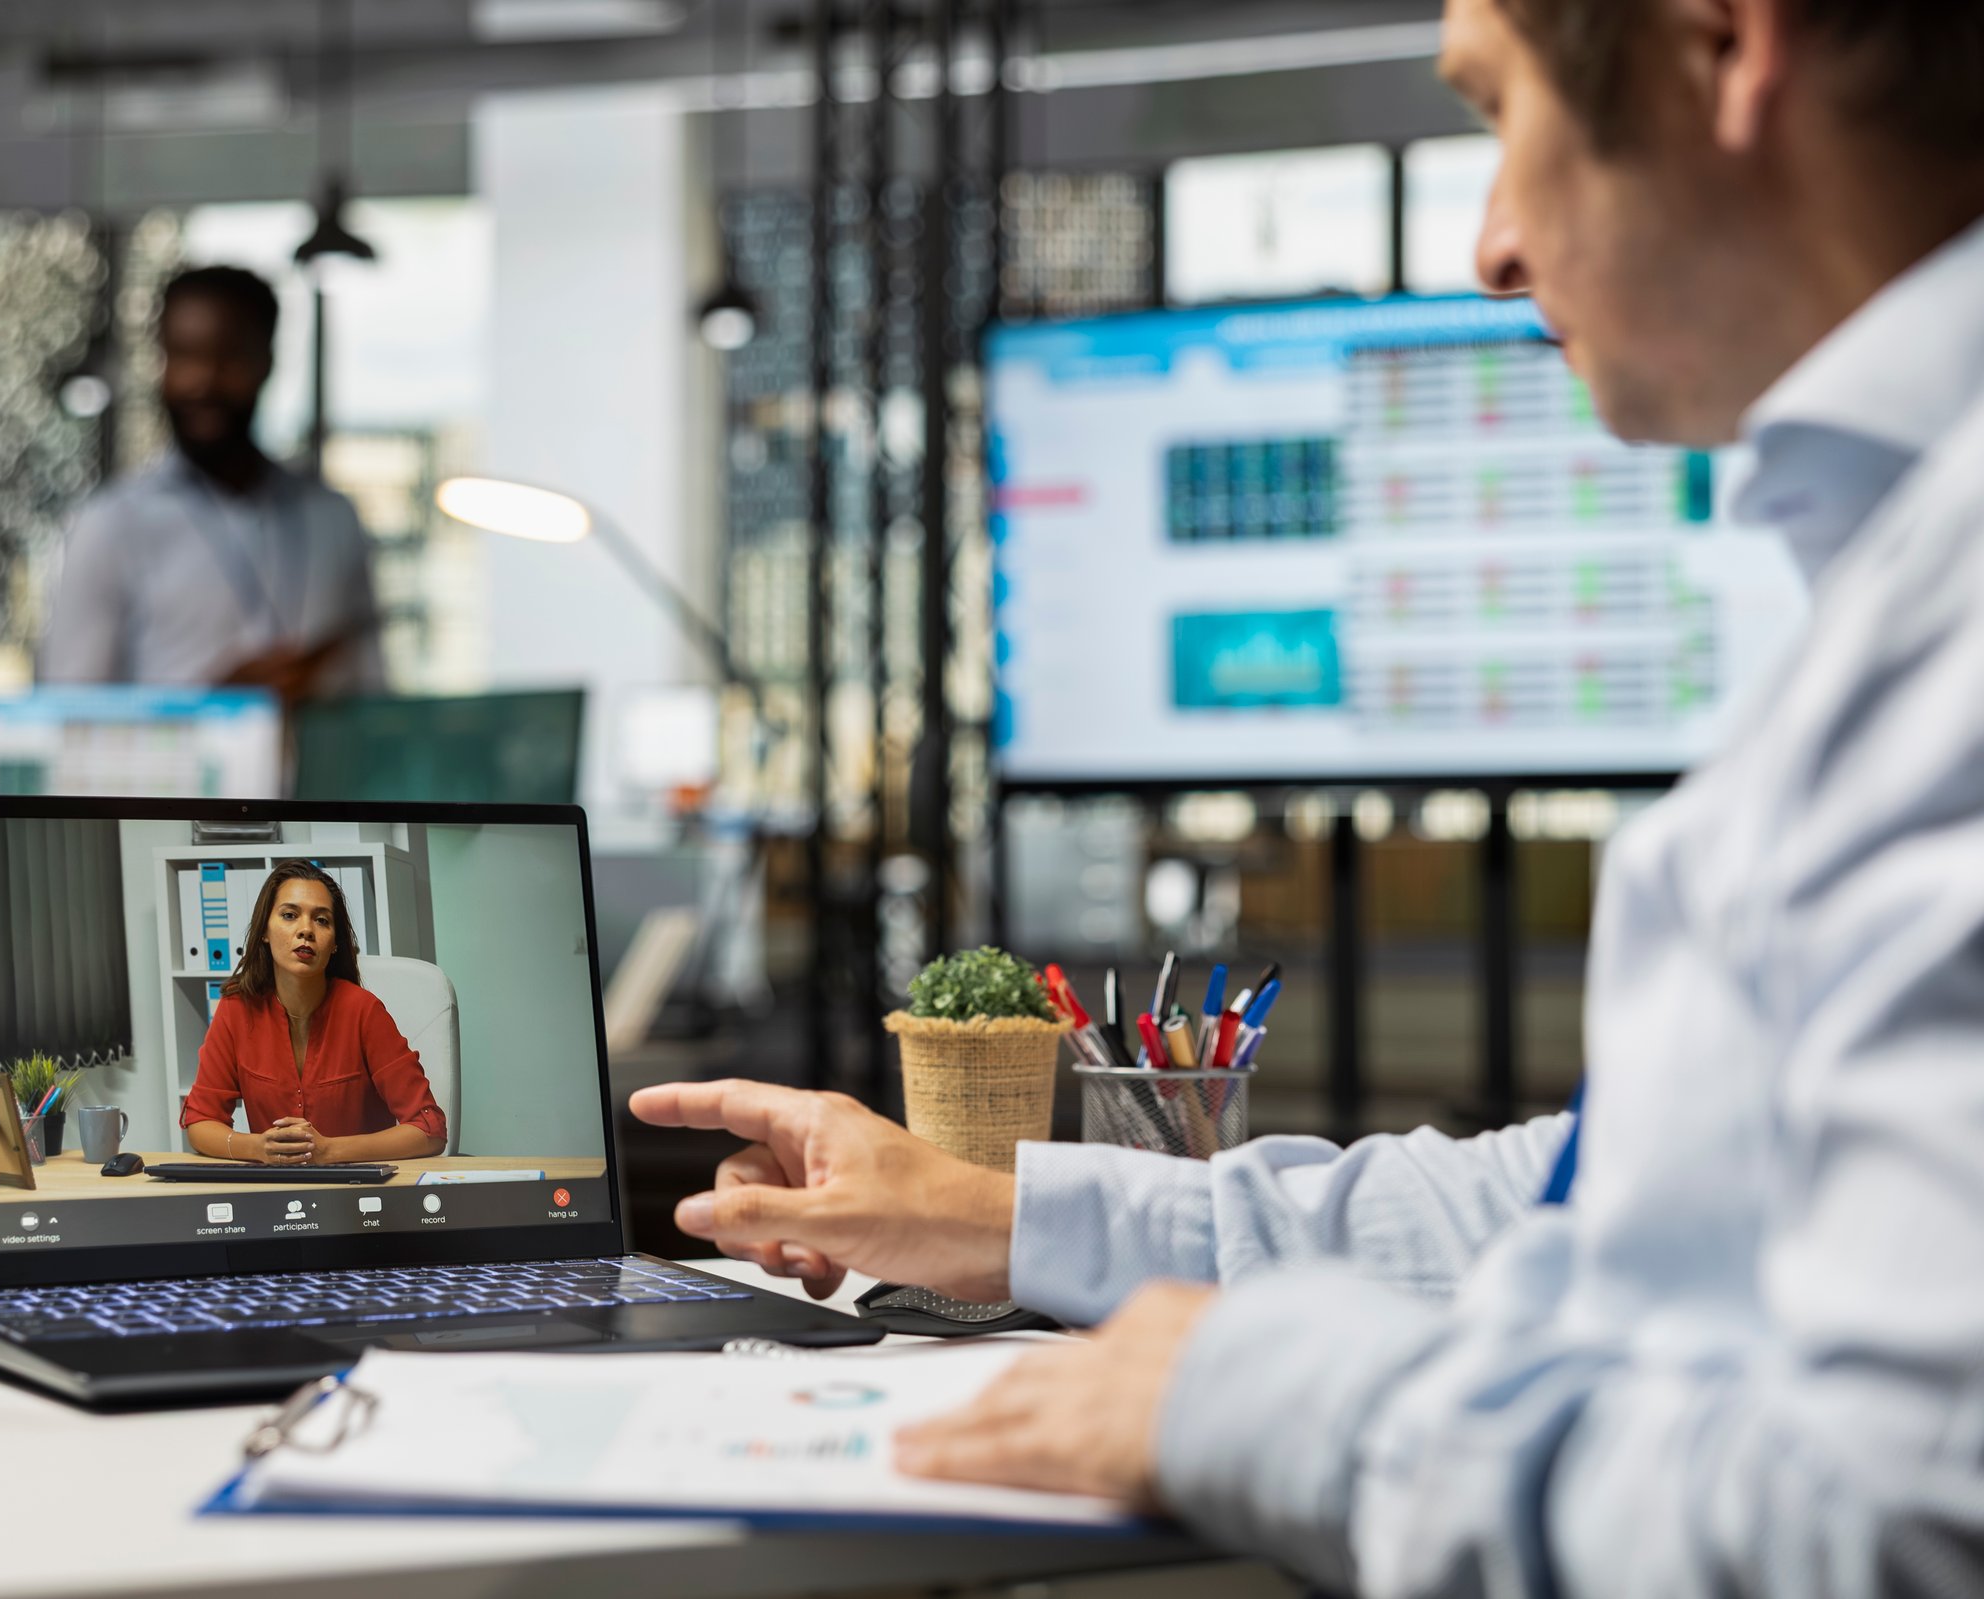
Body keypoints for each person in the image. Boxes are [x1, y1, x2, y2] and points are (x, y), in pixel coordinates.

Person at [634, 0, 1984, 1591]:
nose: (1488, 242)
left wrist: (1243, 1393)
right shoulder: (1901, 574)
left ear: (1717, 49)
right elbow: (1565, 1205)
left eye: (1495, 111)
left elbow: (1897, 1523)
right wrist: (1005, 1212)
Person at [38, 265, 384, 704]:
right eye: (183, 355)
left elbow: (373, 693)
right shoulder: (110, 525)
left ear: (268, 362)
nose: (202, 380)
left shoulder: (332, 520)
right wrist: (218, 709)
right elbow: (67, 717)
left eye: (230, 357)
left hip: (319, 772)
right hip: (170, 774)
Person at [182, 860, 445, 1164]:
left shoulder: (364, 1011)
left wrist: (329, 1151)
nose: (305, 930)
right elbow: (200, 1122)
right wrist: (259, 1149)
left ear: (335, 943)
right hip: (275, 1192)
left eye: (321, 920)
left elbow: (430, 1129)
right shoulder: (236, 1010)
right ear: (264, 931)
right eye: (290, 915)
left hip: (360, 1197)